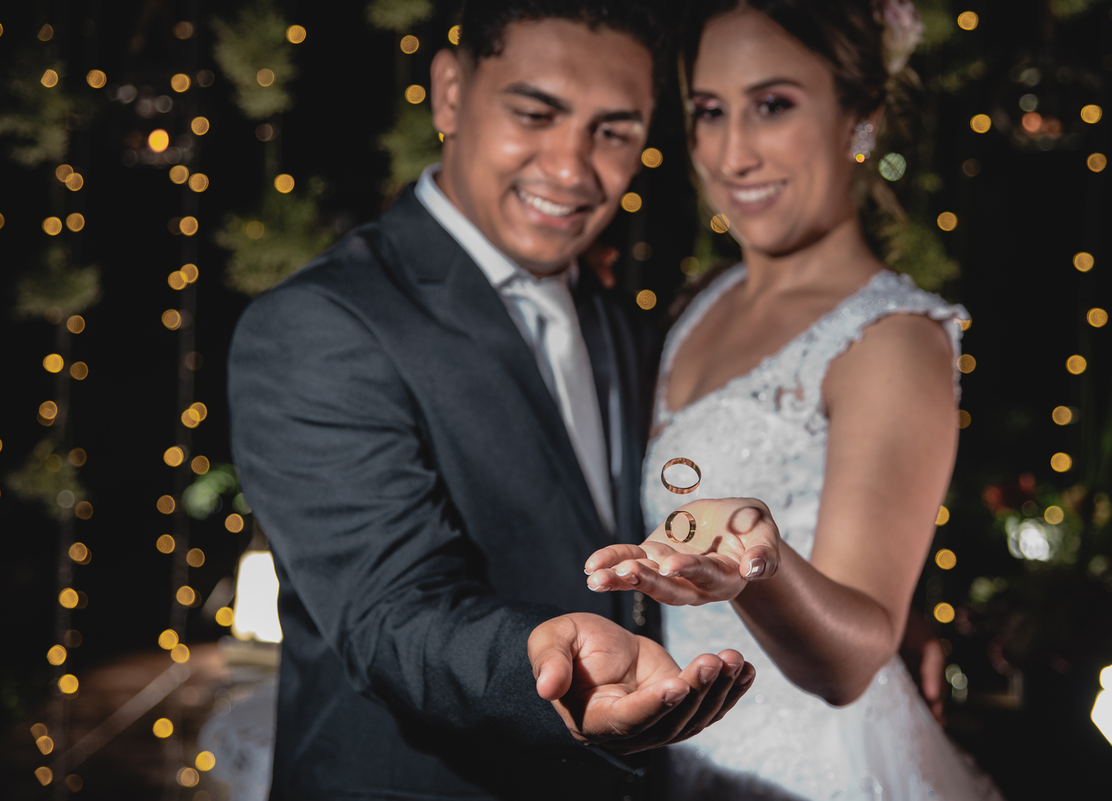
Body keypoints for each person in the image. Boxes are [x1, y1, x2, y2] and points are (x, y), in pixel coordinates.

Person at [226, 2, 756, 799]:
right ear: (449, 93)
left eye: (613, 132)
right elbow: (390, 611)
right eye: (534, 114)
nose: (572, 169)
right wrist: (543, 665)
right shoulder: (320, 321)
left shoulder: (616, 315)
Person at [582, 1, 1006, 798]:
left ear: (860, 116)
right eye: (710, 112)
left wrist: (755, 570)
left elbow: (849, 665)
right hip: (684, 750)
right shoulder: (703, 303)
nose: (733, 154)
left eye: (773, 105)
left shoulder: (892, 338)